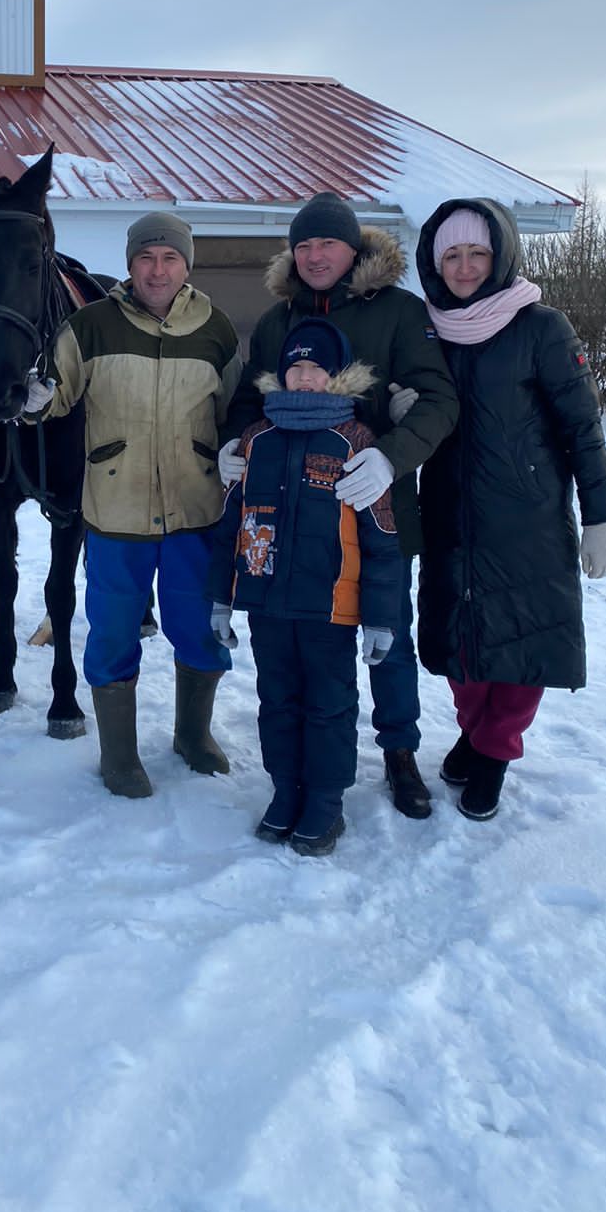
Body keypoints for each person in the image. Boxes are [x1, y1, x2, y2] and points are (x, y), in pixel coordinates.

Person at [220, 192, 458, 820]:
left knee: (386, 636)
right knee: (307, 658)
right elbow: (250, 399)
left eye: (327, 243)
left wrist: (391, 455)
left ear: (354, 249)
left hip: (371, 510)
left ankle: (399, 752)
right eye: (304, 245)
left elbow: (438, 400)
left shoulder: (401, 313)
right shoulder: (277, 321)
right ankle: (300, 773)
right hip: (288, 519)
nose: (315, 255)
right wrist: (233, 447)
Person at [411, 200, 606, 819]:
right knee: (459, 639)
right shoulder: (426, 329)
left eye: (478, 252)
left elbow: (583, 427)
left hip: (526, 516)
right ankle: (474, 731)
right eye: (453, 254)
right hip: (449, 510)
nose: (466, 266)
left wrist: (602, 517)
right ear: (435, 261)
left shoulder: (541, 327)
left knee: (524, 639)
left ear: (501, 255)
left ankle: (496, 752)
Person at [22, 212, 243, 798]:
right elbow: (54, 396)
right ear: (130, 264)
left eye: (170, 258)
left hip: (196, 511)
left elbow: (235, 414)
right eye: (146, 257)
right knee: (114, 631)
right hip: (116, 512)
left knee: (199, 628)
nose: (157, 268)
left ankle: (193, 736)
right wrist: (35, 397)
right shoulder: (90, 326)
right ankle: (119, 753)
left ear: (186, 265)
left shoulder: (215, 330)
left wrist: (240, 450)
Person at [209, 319, 403, 854]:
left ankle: (325, 799)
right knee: (277, 701)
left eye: (317, 368)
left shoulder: (355, 442)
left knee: (329, 705)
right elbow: (229, 527)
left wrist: (382, 617)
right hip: (266, 604)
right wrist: (221, 600)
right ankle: (285, 790)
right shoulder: (256, 440)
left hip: (329, 609)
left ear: (338, 376)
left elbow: (382, 538)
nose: (305, 377)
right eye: (296, 367)